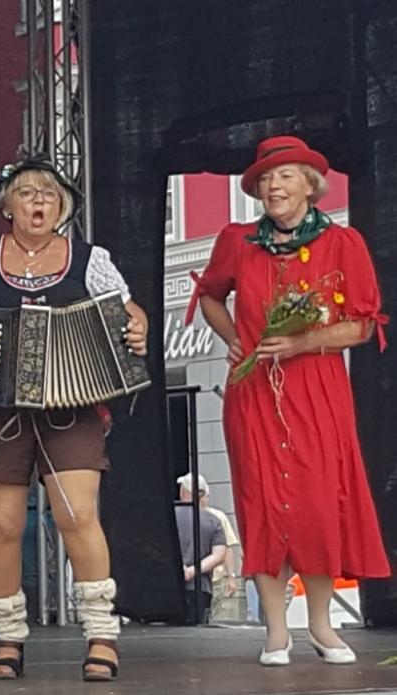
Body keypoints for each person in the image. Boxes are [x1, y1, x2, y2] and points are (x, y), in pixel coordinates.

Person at [0, 152, 148, 681]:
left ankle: (101, 634)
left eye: (49, 194)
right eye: (27, 194)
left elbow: (128, 312)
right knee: (3, 525)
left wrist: (136, 327)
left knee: (77, 516)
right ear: (8, 206)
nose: (38, 202)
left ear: (62, 207)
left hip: (72, 404)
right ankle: (7, 636)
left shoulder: (88, 259)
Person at [187, 135, 390, 666]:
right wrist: (233, 337)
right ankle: (275, 631)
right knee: (260, 502)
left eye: (284, 176)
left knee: (318, 505)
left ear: (309, 185)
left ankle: (321, 625)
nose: (273, 186)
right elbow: (209, 295)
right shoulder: (237, 240)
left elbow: (362, 325)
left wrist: (302, 343)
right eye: (265, 179)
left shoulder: (342, 243)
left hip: (317, 390)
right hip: (254, 389)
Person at [173, 474, 226, 624]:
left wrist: (178, 568)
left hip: (168, 587)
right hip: (200, 587)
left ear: (183, 492)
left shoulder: (168, 517)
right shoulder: (213, 521)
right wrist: (192, 570)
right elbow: (219, 554)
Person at [201, 488, 241, 620]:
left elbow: (227, 548)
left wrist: (231, 576)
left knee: (215, 615)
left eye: (204, 496)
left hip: (215, 579)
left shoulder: (218, 517)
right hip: (194, 578)